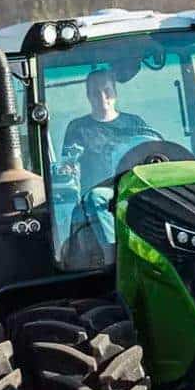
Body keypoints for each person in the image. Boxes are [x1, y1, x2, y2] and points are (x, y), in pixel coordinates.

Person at [60, 68, 152, 265]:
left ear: (115, 92)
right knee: (95, 199)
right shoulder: (78, 128)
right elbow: (68, 162)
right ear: (88, 96)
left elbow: (152, 152)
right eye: (95, 92)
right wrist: (69, 167)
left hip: (132, 191)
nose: (102, 97)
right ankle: (114, 260)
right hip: (98, 197)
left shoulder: (135, 124)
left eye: (106, 90)